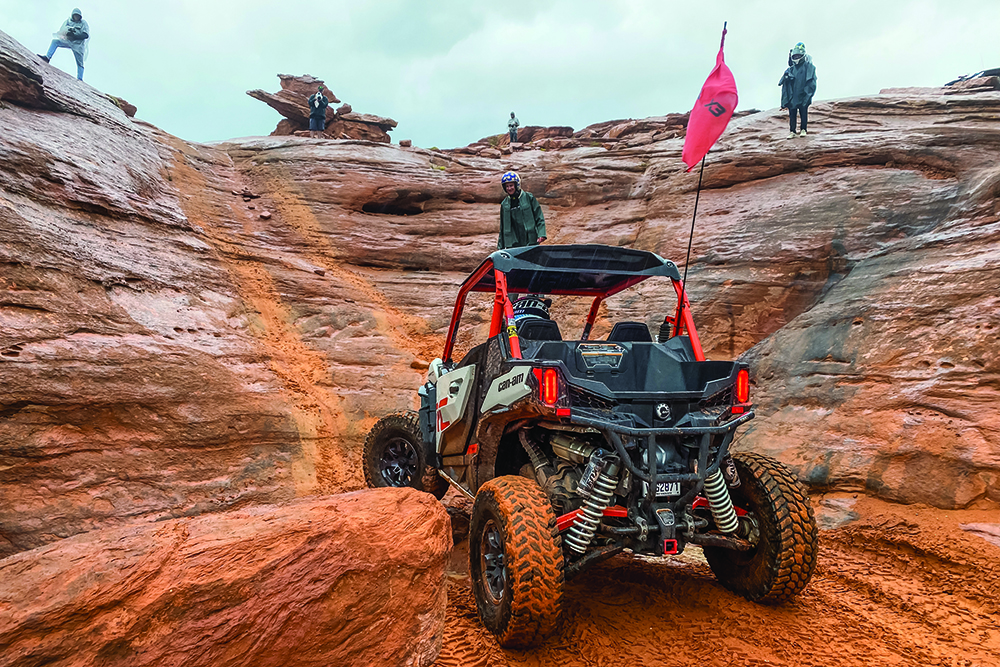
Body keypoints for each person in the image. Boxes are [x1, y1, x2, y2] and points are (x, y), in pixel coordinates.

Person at [498, 171, 546, 250]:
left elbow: (538, 216)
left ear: (516, 185)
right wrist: (501, 247)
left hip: (530, 238)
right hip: (514, 242)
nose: (509, 188)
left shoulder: (528, 197)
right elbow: (502, 227)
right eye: (507, 186)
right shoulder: (504, 204)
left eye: (511, 185)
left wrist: (541, 234)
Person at [39, 8, 89, 81]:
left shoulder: (83, 23)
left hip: (78, 45)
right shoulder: (68, 22)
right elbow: (61, 31)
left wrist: (74, 35)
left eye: (78, 16)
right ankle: (47, 57)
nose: (76, 17)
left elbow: (85, 35)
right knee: (55, 42)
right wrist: (65, 33)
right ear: (72, 15)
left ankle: (80, 79)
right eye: (75, 15)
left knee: (80, 63)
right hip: (69, 41)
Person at [779, 42, 817, 138]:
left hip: (803, 93)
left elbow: (811, 81)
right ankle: (792, 131)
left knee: (803, 111)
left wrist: (807, 94)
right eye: (794, 56)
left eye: (798, 56)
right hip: (793, 95)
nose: (796, 57)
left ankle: (803, 129)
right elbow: (782, 83)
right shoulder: (790, 69)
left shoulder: (808, 66)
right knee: (792, 113)